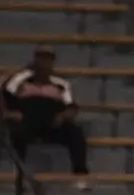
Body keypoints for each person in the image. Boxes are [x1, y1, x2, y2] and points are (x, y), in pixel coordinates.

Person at [3, 48, 89, 181]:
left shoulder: (61, 83)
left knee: (76, 132)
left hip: (51, 123)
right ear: (35, 60)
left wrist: (62, 116)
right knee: (16, 131)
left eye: (48, 59)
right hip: (26, 121)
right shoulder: (19, 79)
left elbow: (71, 107)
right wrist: (8, 113)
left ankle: (81, 176)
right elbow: (3, 96)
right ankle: (20, 177)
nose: (44, 63)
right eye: (41, 58)